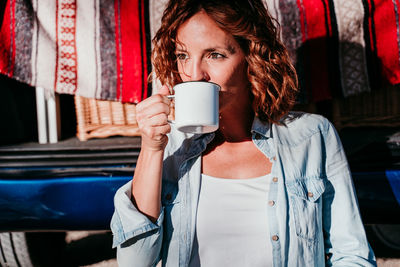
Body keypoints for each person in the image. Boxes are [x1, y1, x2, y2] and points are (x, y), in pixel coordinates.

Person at [111, 0, 377, 266]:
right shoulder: (171, 145)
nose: (193, 74)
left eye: (214, 54)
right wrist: (151, 147)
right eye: (183, 56)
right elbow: (134, 261)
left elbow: (351, 255)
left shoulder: (311, 137)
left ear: (253, 57)